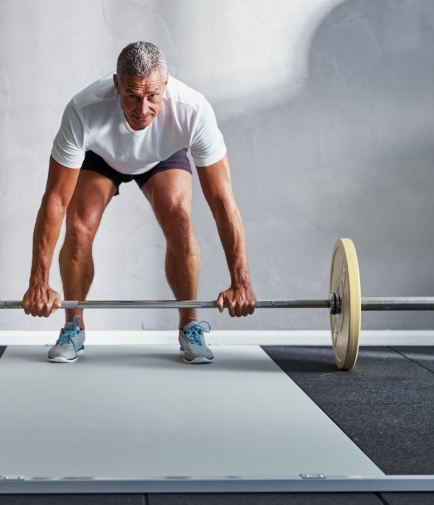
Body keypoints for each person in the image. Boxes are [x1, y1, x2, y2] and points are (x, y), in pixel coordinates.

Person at [22, 41, 257, 364]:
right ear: (116, 84)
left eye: (153, 96)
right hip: (102, 157)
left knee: (180, 220)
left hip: (162, 155)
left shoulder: (193, 110)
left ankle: (189, 325)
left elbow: (222, 202)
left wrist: (240, 282)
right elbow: (55, 201)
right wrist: (39, 282)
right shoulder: (83, 109)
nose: (142, 108)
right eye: (132, 95)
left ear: (166, 83)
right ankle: (73, 325)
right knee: (78, 226)